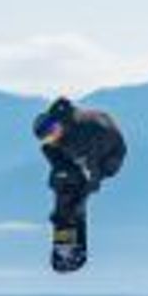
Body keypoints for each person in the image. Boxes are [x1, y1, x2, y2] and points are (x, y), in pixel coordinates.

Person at [32, 95, 127, 240]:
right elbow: (62, 102)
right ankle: (65, 215)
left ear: (57, 124)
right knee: (55, 163)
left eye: (52, 131)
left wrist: (77, 203)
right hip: (99, 127)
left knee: (74, 186)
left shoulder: (80, 142)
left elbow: (93, 179)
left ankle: (72, 229)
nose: (52, 137)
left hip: (110, 157)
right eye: (48, 137)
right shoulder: (60, 118)